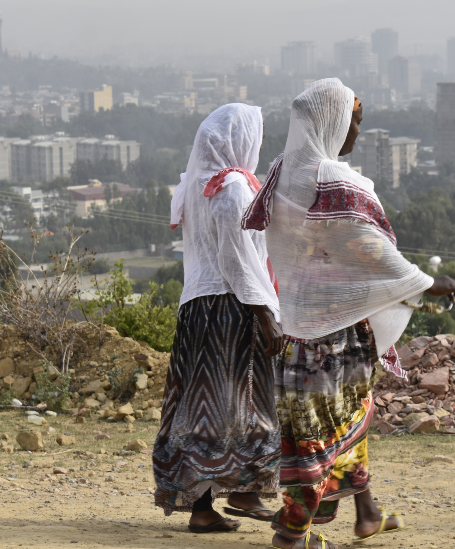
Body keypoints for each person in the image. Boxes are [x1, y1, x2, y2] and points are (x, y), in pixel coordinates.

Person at [243, 79, 455, 549]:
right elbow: (367, 249)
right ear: (330, 122)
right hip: (335, 337)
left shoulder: (283, 170)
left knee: (339, 423)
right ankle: (290, 534)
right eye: (353, 120)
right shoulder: (332, 180)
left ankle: (368, 513)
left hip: (297, 329)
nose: (357, 131)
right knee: (320, 436)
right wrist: (425, 282)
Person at [153, 103, 285, 533]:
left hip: (196, 306)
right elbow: (238, 256)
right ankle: (247, 490)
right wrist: (264, 310)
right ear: (240, 140)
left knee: (203, 407)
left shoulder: (192, 186)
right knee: (250, 400)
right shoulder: (232, 188)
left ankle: (203, 508)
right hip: (232, 306)